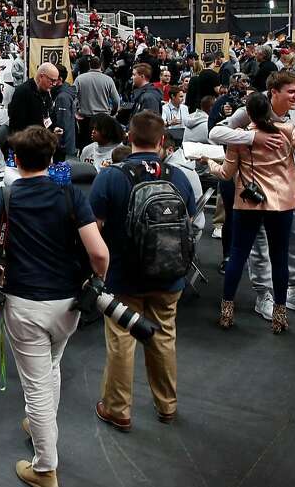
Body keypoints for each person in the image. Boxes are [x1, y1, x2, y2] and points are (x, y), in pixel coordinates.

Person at [0, 126, 109, 487]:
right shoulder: (71, 196)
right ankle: (38, 425)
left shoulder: (1, 197)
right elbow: (98, 252)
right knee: (51, 365)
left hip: (25, 304)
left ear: (15, 160)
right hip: (68, 304)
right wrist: (97, 280)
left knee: (35, 385)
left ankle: (45, 467)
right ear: (51, 159)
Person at [88, 112, 195, 432]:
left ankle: (118, 409)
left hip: (123, 277)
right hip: (169, 274)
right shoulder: (178, 176)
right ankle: (167, 405)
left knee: (122, 340)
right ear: (162, 141)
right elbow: (185, 226)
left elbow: (94, 228)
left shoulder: (111, 177)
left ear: (128, 138)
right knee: (164, 337)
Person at [209, 70, 295, 321]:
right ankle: (265, 296)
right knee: (260, 246)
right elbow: (216, 133)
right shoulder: (250, 110)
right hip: (255, 194)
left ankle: (293, 291)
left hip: (288, 191)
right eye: (291, 92)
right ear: (273, 93)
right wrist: (254, 136)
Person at [75, 56, 121, 149]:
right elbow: (116, 100)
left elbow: (72, 98)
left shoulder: (80, 79)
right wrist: (113, 112)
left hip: (85, 119)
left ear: (89, 65)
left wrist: (75, 112)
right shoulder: (108, 80)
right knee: (102, 146)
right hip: (103, 118)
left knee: (85, 146)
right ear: (101, 65)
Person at [7, 63, 56, 135]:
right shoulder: (22, 92)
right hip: (27, 142)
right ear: (41, 76)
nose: (54, 84)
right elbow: (17, 126)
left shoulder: (45, 90)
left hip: (42, 140)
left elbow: (47, 116)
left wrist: (53, 128)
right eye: (52, 80)